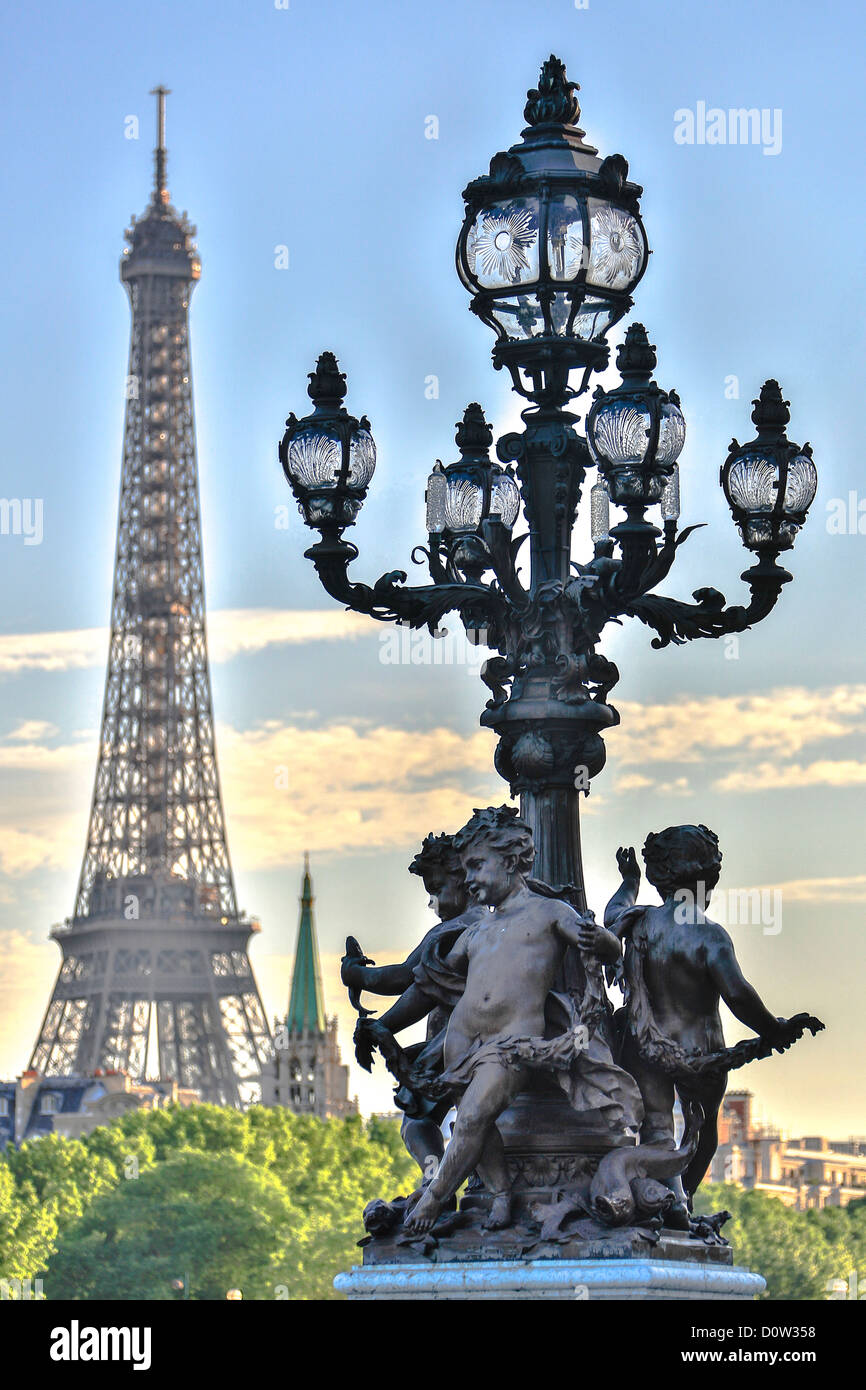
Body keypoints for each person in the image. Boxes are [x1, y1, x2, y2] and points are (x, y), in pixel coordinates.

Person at [405, 806, 640, 1234]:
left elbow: (605, 949)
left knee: (474, 1118)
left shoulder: (549, 912)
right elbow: (429, 975)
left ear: (511, 861)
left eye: (476, 865)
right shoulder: (478, 929)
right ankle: (499, 1191)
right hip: (461, 1042)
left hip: (512, 1046)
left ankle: (435, 1197)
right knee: (474, 1121)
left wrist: (604, 941)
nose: (469, 878)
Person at [604, 825, 797, 1211]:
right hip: (702, 1051)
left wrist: (629, 881)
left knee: (657, 1127)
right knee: (703, 1130)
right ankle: (682, 1200)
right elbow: (738, 995)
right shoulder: (709, 935)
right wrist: (773, 1029)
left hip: (646, 1046)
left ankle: (669, 1199)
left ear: (658, 879)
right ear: (709, 881)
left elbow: (614, 911)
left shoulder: (638, 923)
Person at [340, 832, 485, 1180]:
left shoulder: (454, 930)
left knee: (417, 1121)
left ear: (463, 878)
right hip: (465, 1039)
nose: (432, 901)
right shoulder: (486, 923)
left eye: (436, 889)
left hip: (454, 1044)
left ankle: (435, 1179)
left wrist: (357, 974)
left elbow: (404, 978)